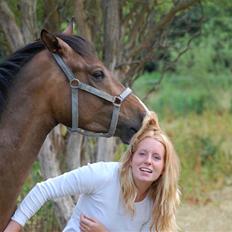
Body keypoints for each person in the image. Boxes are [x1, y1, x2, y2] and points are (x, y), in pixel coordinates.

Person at [4, 112, 180, 232]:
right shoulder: (102, 175)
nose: (148, 161)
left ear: (164, 167)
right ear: (131, 158)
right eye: (142, 153)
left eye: (156, 157)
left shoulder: (159, 201)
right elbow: (44, 189)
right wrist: (14, 227)